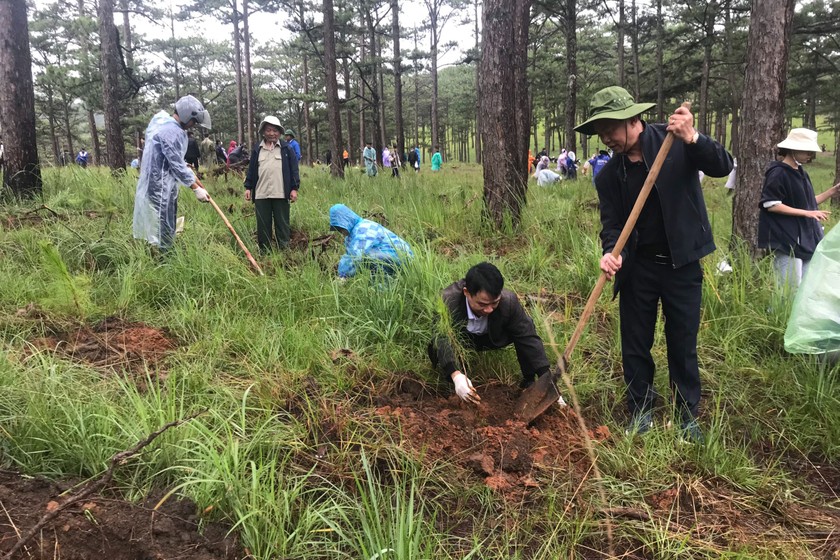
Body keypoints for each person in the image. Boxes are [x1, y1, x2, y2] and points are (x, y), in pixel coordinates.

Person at [575, 85, 733, 443]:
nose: (605, 139)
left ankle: (686, 415)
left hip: (683, 264)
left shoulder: (673, 140)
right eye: (599, 133)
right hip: (639, 269)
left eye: (610, 130)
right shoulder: (607, 175)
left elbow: (722, 166)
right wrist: (611, 252)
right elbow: (613, 226)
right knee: (634, 344)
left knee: (682, 341)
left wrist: (693, 137)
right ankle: (641, 409)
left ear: (632, 119)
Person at [428, 262, 566, 404]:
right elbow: (442, 338)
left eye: (494, 303)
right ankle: (455, 379)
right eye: (482, 304)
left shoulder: (508, 302)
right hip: (462, 338)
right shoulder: (448, 300)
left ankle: (528, 382)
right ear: (467, 293)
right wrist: (455, 374)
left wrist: (548, 381)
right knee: (440, 341)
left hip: (493, 337)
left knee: (523, 330)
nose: (488, 309)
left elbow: (528, 337)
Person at [758, 128, 839, 289]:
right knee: (789, 291)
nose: (810, 155)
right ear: (793, 149)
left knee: (805, 290)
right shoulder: (778, 173)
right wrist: (808, 213)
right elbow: (771, 204)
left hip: (807, 240)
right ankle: (778, 315)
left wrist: (833, 192)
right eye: (807, 151)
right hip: (787, 241)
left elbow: (809, 204)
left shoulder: (801, 173)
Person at [133, 94, 212, 252]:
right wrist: (195, 188)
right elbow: (175, 164)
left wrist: (186, 167)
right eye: (193, 121)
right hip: (160, 183)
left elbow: (172, 158)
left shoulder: (166, 125)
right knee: (163, 220)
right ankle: (165, 255)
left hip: (160, 181)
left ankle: (164, 248)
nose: (193, 125)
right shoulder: (172, 131)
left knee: (164, 218)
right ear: (186, 115)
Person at [243, 116, 301, 252]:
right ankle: (265, 251)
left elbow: (294, 170)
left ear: (280, 133)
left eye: (275, 130)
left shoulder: (286, 149)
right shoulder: (257, 149)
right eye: (269, 130)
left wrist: (294, 188)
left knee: (282, 223)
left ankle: (284, 250)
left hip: (281, 192)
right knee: (263, 224)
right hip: (261, 193)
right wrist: (248, 187)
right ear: (263, 132)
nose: (272, 133)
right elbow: (251, 170)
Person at [328, 204, 414, 278]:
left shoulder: (363, 229)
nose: (341, 231)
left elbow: (356, 255)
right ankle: (381, 287)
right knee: (366, 259)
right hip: (392, 257)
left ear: (346, 221)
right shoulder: (353, 233)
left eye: (341, 228)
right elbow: (349, 253)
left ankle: (383, 288)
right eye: (338, 229)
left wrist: (343, 276)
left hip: (401, 257)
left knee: (365, 257)